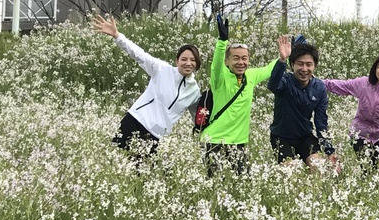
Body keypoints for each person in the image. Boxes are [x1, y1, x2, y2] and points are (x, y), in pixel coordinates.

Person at [93, 14, 201, 157]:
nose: (188, 63)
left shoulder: (194, 91)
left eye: (193, 60)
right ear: (177, 61)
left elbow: (197, 116)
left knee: (142, 169)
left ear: (197, 63)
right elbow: (139, 55)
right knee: (116, 160)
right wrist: (117, 36)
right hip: (135, 121)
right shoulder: (162, 69)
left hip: (156, 135)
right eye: (184, 59)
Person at [200, 15, 278, 175]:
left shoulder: (251, 76)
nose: (241, 62)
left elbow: (270, 68)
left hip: (239, 141)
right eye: (235, 58)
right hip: (214, 140)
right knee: (214, 183)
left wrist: (287, 56)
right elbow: (215, 65)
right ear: (227, 61)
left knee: (244, 181)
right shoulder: (220, 79)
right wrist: (222, 42)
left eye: (244, 58)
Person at [268, 35, 337, 168]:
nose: (304, 69)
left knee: (320, 167)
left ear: (314, 66)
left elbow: (321, 121)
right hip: (281, 138)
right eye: (300, 64)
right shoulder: (286, 81)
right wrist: (282, 60)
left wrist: (329, 150)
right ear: (292, 65)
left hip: (305, 137)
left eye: (309, 64)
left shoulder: (319, 87)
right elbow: (273, 85)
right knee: (291, 170)